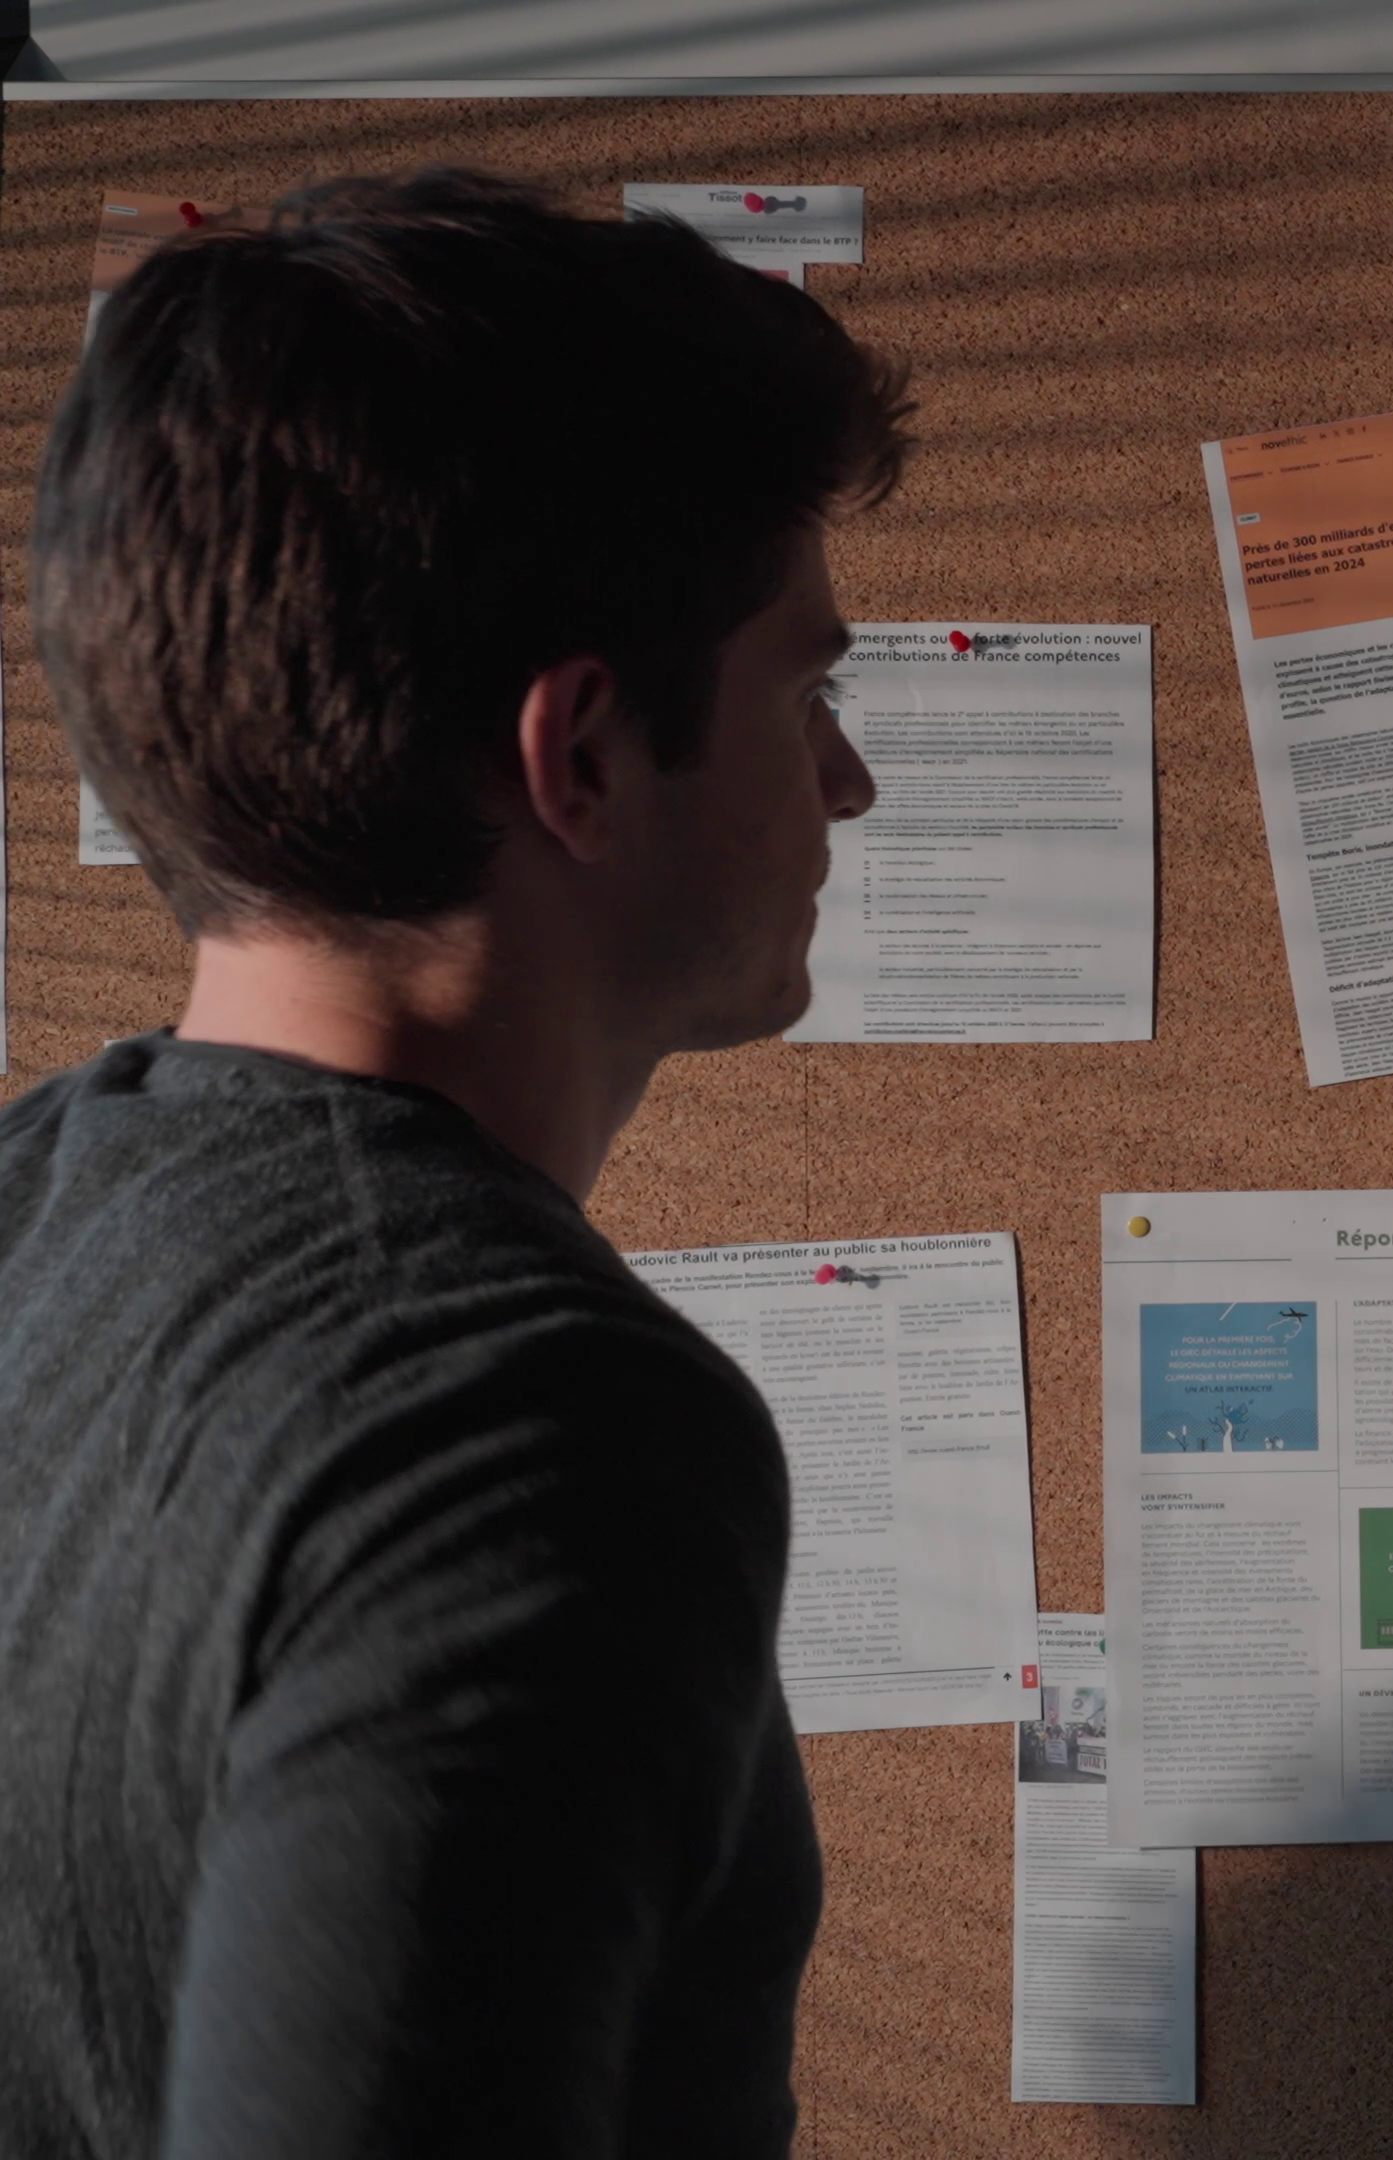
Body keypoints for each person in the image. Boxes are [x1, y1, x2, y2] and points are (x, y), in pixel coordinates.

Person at [0, 172, 907, 2154]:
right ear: (580, 755)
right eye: (808, 691)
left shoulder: (30, 1209)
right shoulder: (524, 1424)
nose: (847, 780)